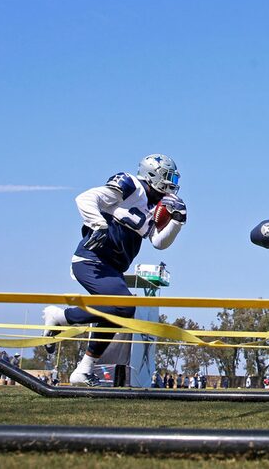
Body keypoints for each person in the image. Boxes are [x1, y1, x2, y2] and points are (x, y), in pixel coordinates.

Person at [41, 154, 186, 386]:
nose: (172, 182)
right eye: (168, 176)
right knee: (124, 305)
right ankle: (60, 317)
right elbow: (85, 198)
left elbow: (158, 242)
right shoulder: (130, 185)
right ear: (152, 174)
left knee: (120, 312)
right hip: (91, 260)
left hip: (113, 268)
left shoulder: (156, 205)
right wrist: (98, 225)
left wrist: (177, 222)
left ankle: (83, 370)